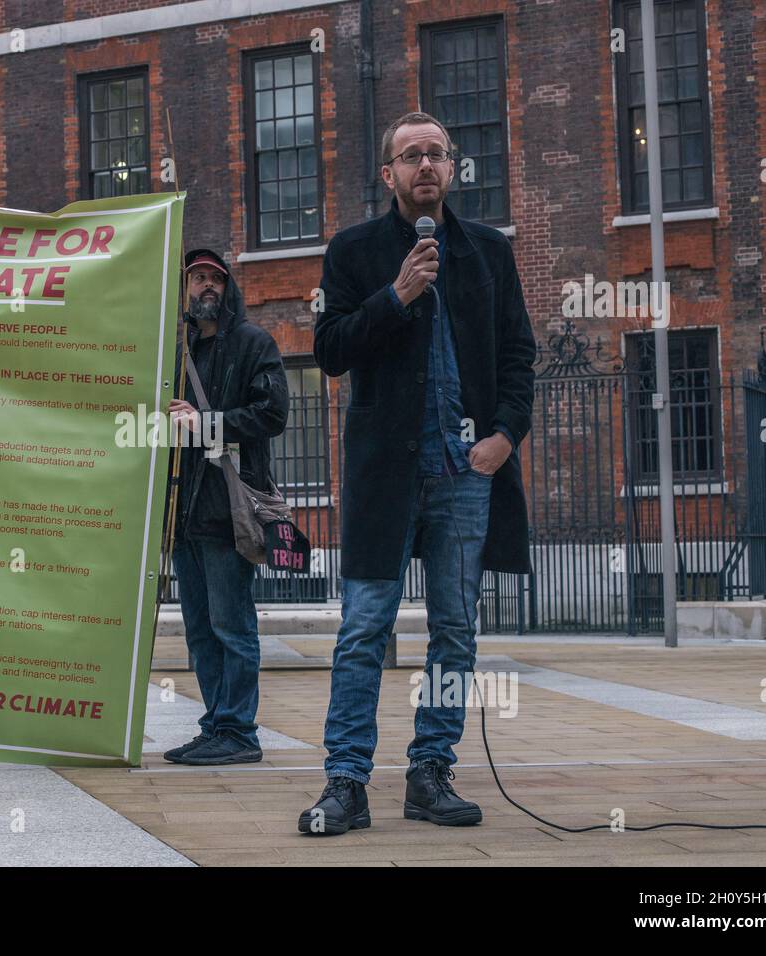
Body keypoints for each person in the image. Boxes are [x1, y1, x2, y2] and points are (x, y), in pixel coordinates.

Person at [298, 112, 536, 834]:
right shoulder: (355, 251)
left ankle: (431, 772)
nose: (424, 166)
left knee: (456, 632)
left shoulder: (488, 253)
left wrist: (503, 437)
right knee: (364, 627)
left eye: (436, 154)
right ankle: (346, 781)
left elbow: (519, 358)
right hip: (385, 476)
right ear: (389, 175)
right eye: (410, 156)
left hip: (465, 473)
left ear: (453, 168)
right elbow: (331, 349)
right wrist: (396, 295)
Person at [161, 248, 289, 766]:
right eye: (197, 279)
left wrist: (207, 422)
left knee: (232, 625)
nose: (206, 286)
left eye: (215, 278)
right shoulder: (176, 352)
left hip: (228, 511)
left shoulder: (254, 343)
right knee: (198, 628)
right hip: (183, 516)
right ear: (185, 289)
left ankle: (238, 731)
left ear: (227, 286)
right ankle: (216, 723)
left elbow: (273, 412)